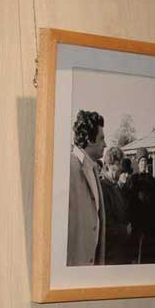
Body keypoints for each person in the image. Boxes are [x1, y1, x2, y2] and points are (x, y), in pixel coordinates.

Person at [68, 111, 105, 266]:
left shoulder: (92, 168)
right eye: (102, 139)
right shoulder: (67, 168)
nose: (105, 144)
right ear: (89, 139)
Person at [124, 148, 155, 264]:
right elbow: (128, 200)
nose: (143, 163)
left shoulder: (151, 180)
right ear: (138, 162)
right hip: (136, 221)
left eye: (145, 161)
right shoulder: (132, 179)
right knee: (136, 251)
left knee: (148, 252)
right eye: (141, 161)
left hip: (149, 222)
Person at [100, 145, 132, 265]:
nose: (121, 168)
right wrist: (125, 230)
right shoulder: (104, 187)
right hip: (112, 251)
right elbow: (106, 222)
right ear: (109, 165)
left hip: (120, 247)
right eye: (118, 164)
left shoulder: (115, 186)